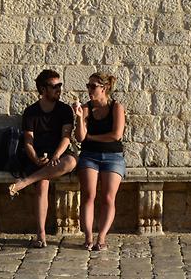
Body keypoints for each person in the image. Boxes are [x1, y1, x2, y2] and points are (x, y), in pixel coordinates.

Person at [8, 69, 77, 248]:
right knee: (43, 183)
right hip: (38, 156)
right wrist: (36, 159)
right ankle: (41, 234)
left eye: (60, 85)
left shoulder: (64, 110)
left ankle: (23, 183)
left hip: (59, 155)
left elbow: (66, 137)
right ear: (42, 89)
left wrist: (56, 154)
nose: (58, 89)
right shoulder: (31, 112)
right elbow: (28, 142)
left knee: (71, 162)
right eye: (54, 86)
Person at [72, 72, 126, 251]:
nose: (89, 89)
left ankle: (101, 238)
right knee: (89, 195)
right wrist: (79, 117)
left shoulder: (116, 107)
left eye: (93, 86)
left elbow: (116, 135)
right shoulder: (86, 109)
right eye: (88, 86)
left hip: (113, 157)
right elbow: (80, 138)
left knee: (109, 197)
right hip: (89, 156)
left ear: (104, 88)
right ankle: (88, 237)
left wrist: (92, 137)